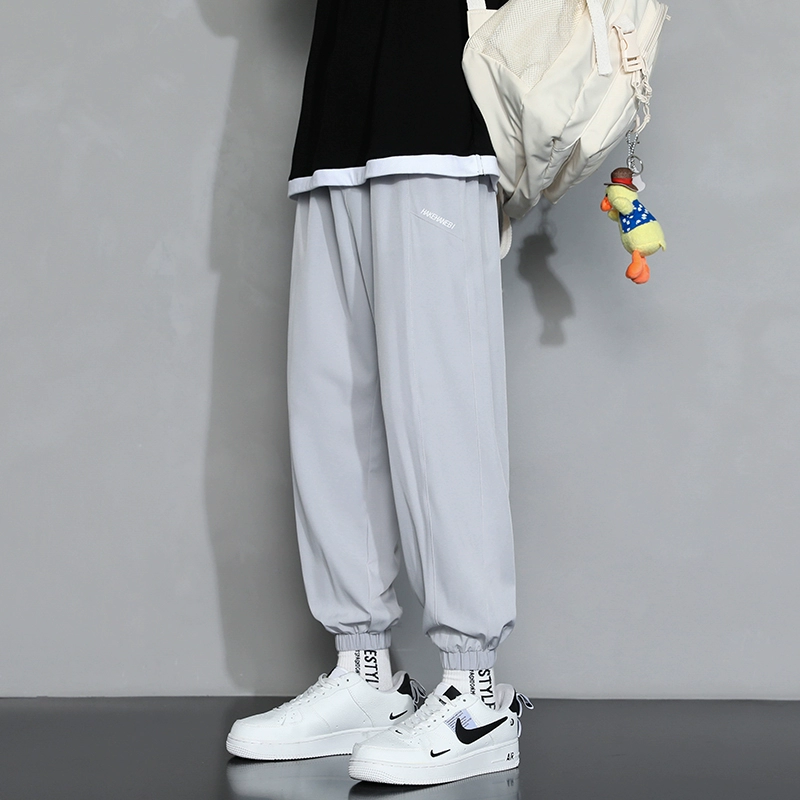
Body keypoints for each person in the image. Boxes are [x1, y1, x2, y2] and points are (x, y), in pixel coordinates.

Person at [226, 0, 531, 785]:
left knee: (441, 410)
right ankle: (365, 674)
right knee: (331, 406)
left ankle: (477, 694)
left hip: (440, 109)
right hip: (336, 116)